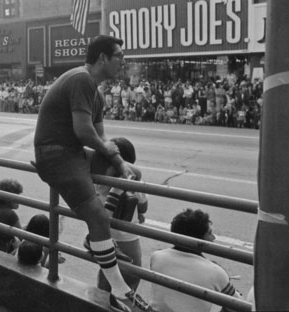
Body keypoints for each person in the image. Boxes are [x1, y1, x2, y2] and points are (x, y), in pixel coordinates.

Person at [33, 35, 152, 312]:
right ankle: (120, 292)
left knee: (131, 169)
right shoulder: (81, 79)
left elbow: (101, 139)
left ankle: (96, 237)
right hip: (56, 153)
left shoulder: (95, 90)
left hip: (72, 153)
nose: (123, 60)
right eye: (119, 55)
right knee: (98, 216)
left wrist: (121, 164)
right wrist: (111, 154)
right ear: (102, 58)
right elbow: (84, 133)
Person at [150, 208, 243, 311]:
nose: (213, 237)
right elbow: (238, 306)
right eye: (209, 233)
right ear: (197, 240)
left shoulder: (156, 257)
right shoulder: (215, 271)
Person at [90, 137, 148, 293]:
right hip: (127, 238)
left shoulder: (100, 179)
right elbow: (143, 205)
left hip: (104, 235)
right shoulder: (132, 178)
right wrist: (141, 212)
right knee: (132, 276)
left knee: (106, 275)